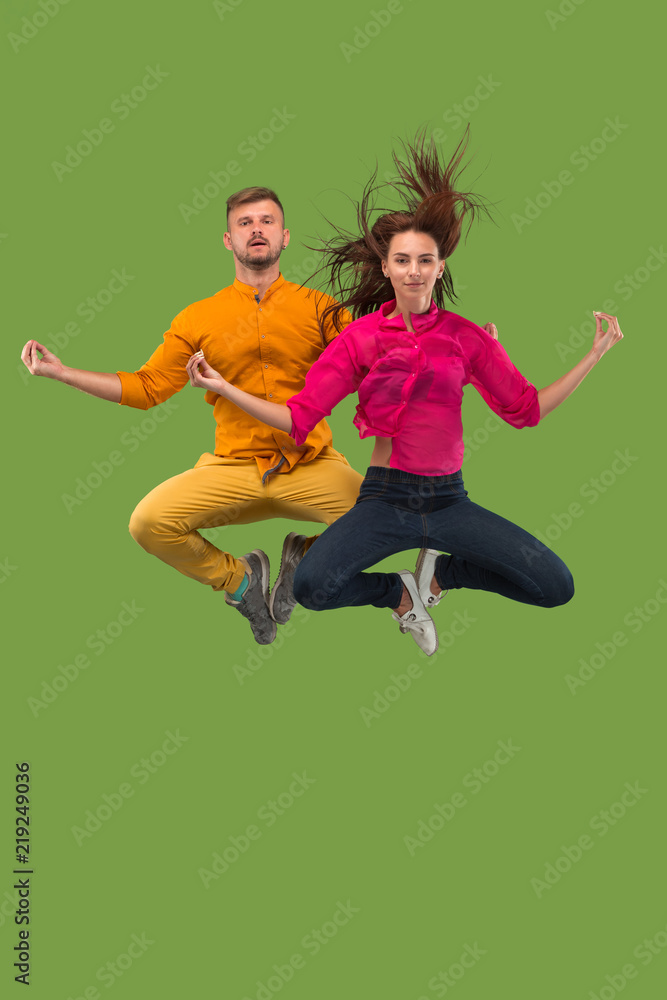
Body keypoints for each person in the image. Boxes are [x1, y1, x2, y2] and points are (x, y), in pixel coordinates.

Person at [185, 133, 623, 655]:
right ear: (388, 268)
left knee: (556, 587)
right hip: (384, 499)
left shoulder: (466, 337)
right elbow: (298, 417)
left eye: (425, 260)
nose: (413, 270)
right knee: (310, 588)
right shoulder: (360, 338)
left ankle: (440, 578)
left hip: (449, 500)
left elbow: (525, 411)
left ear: (440, 267)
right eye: (402, 260)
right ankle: (398, 593)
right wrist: (224, 387)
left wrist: (593, 356)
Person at [20, 187, 363, 645]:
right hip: (234, 471)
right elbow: (146, 388)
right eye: (245, 223)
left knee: (391, 513)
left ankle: (305, 558)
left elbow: (373, 366)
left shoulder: (323, 309)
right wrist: (64, 373)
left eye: (266, 221)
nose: (256, 229)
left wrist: (456, 352)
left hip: (311, 465)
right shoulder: (199, 317)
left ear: (285, 237)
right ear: (228, 240)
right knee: (147, 522)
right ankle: (241, 582)